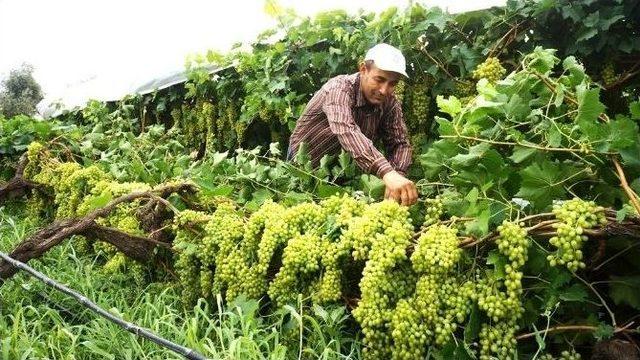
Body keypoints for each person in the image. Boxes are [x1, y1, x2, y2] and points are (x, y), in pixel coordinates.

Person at [288, 43, 418, 206]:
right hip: (305, 167)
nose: (384, 90)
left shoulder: (390, 103)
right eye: (380, 79)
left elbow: (400, 143)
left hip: (343, 173)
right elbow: (346, 130)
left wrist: (397, 174)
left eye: (392, 84)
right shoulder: (338, 89)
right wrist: (387, 172)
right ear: (363, 69)